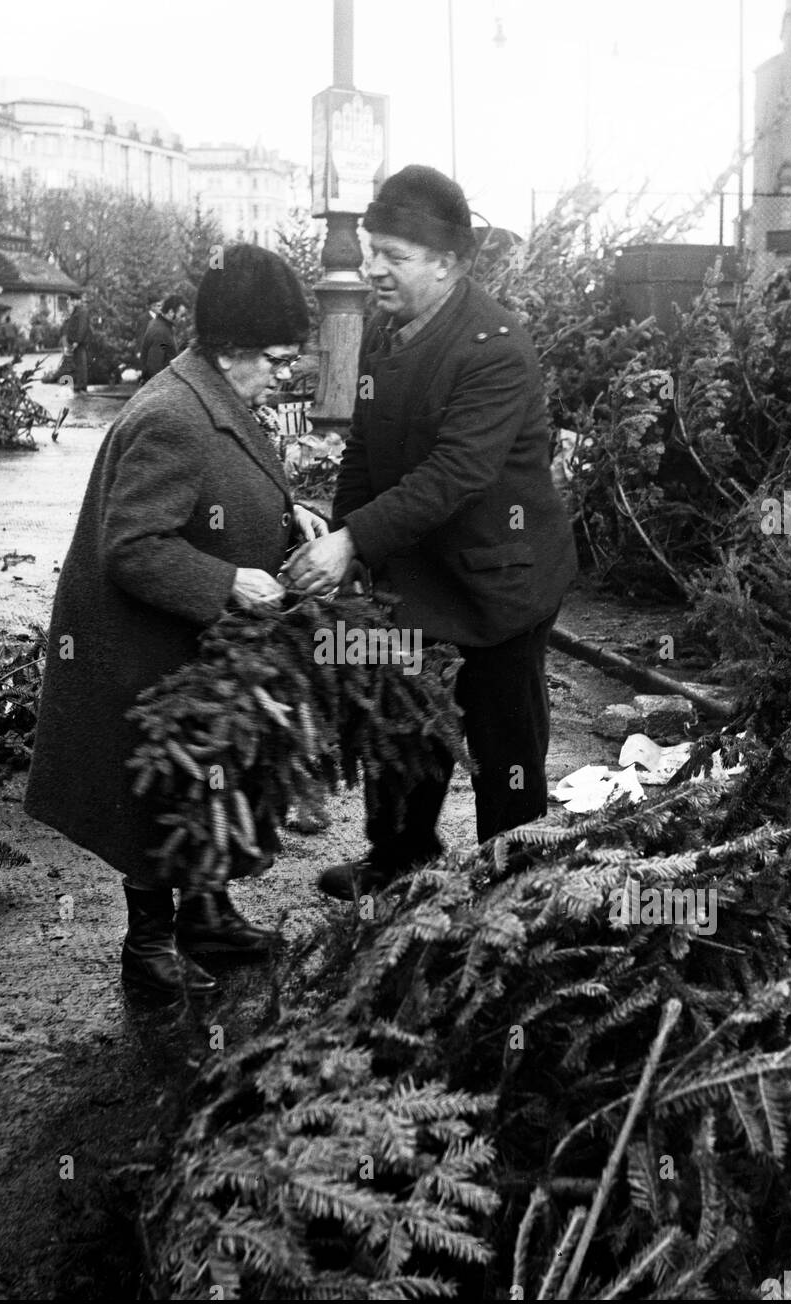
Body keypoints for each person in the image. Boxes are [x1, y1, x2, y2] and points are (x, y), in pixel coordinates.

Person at [25, 245, 326, 996]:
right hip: (142, 646)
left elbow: (225, 494)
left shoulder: (211, 396)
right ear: (233, 349)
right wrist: (227, 582)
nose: (284, 373)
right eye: (278, 358)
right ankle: (149, 947)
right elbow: (133, 546)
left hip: (180, 640)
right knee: (159, 791)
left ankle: (206, 915)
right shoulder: (174, 416)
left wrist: (294, 518)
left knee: (206, 783)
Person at [283, 165, 578, 900]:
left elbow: (456, 474)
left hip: (498, 584)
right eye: (373, 250)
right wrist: (350, 540)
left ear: (446, 263)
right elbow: (366, 446)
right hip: (414, 574)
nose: (373, 267)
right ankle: (399, 858)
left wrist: (353, 543)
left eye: (393, 255)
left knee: (503, 744)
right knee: (402, 720)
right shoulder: (392, 332)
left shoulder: (495, 347)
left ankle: (511, 883)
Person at [139, 294, 189, 383]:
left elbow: (165, 351)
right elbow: (154, 369)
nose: (183, 319)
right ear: (171, 312)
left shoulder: (160, 325)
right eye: (181, 315)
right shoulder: (161, 332)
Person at [60, 292, 92, 393]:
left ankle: (81, 385)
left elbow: (82, 327)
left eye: (70, 300)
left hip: (79, 343)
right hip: (76, 342)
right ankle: (80, 384)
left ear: (75, 300)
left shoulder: (81, 311)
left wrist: (77, 341)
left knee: (81, 364)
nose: (69, 302)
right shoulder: (78, 310)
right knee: (78, 363)